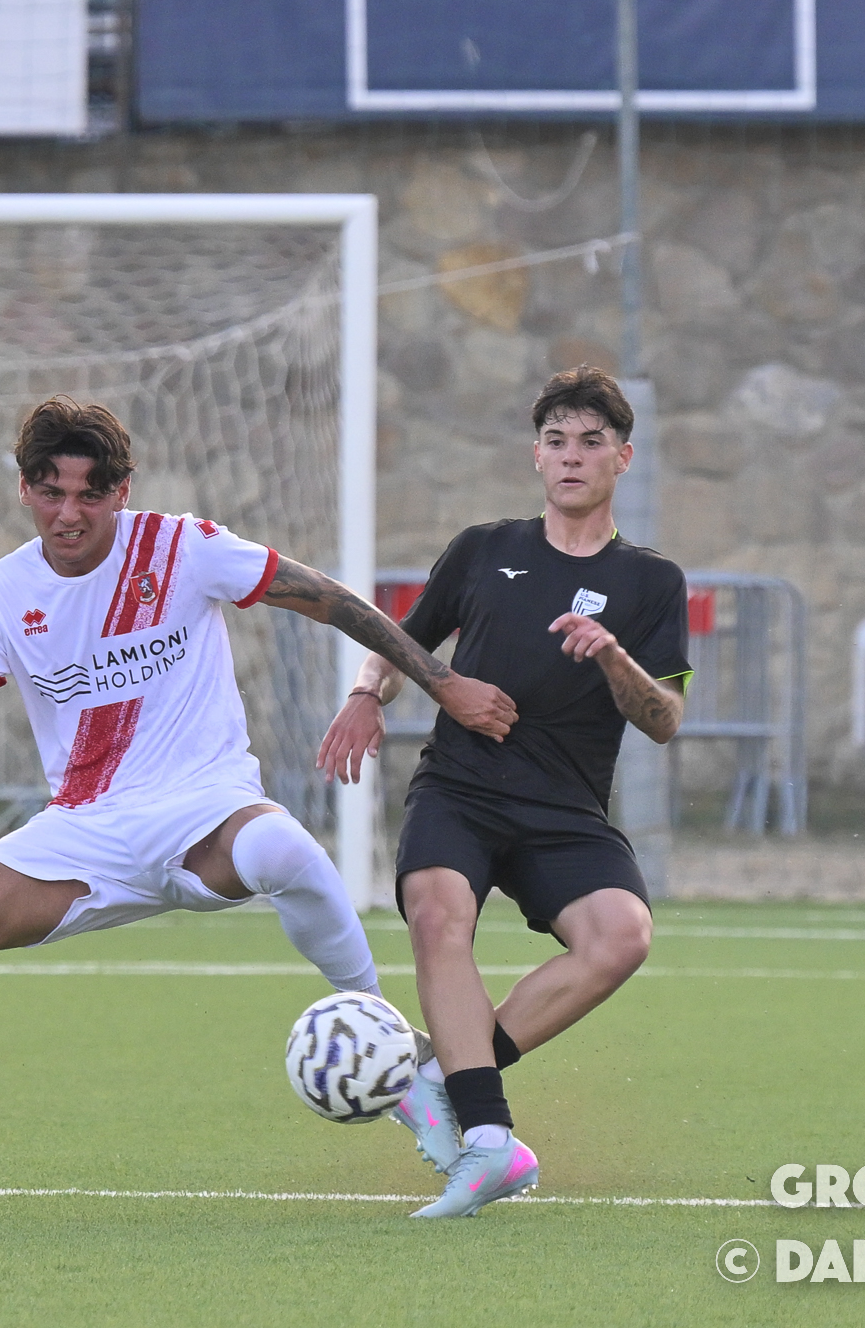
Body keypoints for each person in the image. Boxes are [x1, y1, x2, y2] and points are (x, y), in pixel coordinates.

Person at [0, 396, 514, 1207]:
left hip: (205, 809)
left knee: (284, 849)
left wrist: (439, 681)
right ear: (25, 488)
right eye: (50, 492)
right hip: (85, 831)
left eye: (90, 494)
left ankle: (389, 1042)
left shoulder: (183, 548)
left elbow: (327, 599)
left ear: (123, 490)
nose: (69, 514)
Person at [317, 365, 689, 1218]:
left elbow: (665, 719)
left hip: (564, 807)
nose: (572, 456)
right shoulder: (483, 549)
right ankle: (489, 1140)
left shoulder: (651, 582)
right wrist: (368, 694)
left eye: (591, 442)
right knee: (437, 912)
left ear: (623, 458)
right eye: (556, 441)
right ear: (536, 456)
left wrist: (613, 655)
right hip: (461, 787)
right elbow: (399, 644)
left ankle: (441, 1077)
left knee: (622, 936)